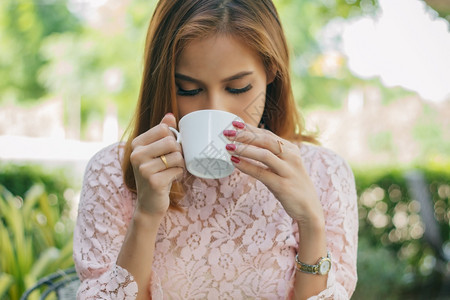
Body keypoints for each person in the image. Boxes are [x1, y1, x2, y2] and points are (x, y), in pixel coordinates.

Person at [73, 0, 358, 299]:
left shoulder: (324, 173)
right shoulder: (113, 172)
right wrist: (145, 214)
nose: (214, 109)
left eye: (237, 88)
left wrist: (311, 223)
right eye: (188, 89)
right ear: (163, 82)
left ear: (271, 72)